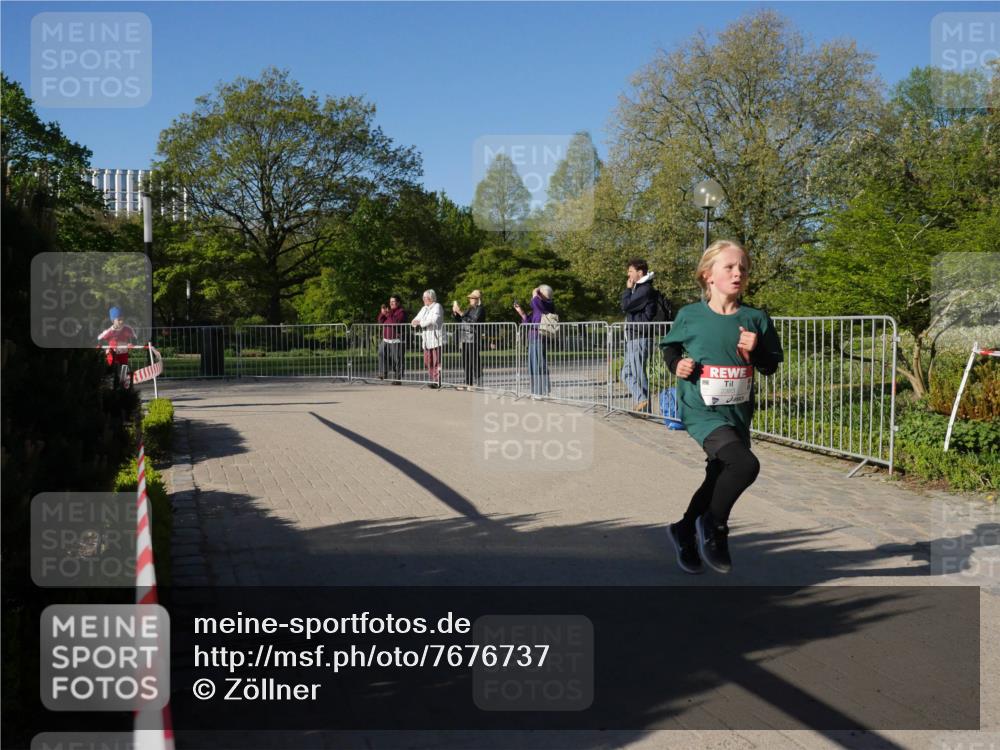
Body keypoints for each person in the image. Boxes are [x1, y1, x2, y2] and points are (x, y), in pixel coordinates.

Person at [659, 240, 783, 575]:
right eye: (729, 267)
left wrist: (757, 350)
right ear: (708, 275)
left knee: (719, 474)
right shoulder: (690, 316)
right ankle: (714, 525)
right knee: (744, 465)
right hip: (700, 409)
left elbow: (770, 365)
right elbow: (670, 348)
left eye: (743, 267)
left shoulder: (755, 318)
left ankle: (684, 528)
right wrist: (677, 365)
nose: (738, 273)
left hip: (736, 413)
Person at [620, 258, 658, 413]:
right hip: (634, 337)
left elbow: (626, 305)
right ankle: (642, 401)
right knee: (626, 373)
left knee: (637, 373)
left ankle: (644, 406)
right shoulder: (640, 288)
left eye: (630, 271)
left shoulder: (644, 289)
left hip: (640, 337)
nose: (628, 274)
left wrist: (628, 290)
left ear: (640, 272)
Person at [514, 284, 555, 397]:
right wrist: (521, 312)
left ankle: (540, 392)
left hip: (539, 337)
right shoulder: (539, 308)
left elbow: (535, 300)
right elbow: (528, 322)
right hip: (533, 338)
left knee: (538, 364)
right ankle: (537, 391)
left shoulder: (545, 304)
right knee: (533, 365)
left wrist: (536, 292)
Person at [452, 290, 486, 389]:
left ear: (478, 299)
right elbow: (461, 319)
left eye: (472, 298)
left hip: (473, 337)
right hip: (464, 337)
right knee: (466, 361)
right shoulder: (470, 308)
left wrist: (460, 312)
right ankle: (468, 382)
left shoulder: (480, 309)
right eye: (470, 298)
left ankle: (479, 384)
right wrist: (455, 313)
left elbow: (473, 321)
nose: (470, 299)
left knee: (475, 361)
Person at [97, 306, 137, 387]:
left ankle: (123, 385)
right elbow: (99, 338)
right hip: (113, 354)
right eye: (119, 320)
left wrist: (131, 344)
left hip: (123, 353)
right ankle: (110, 384)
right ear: (113, 321)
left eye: (122, 319)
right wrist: (103, 348)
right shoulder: (109, 331)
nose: (121, 322)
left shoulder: (128, 329)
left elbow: (134, 338)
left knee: (124, 369)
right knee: (113, 369)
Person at [411, 289, 444, 388]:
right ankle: (432, 379)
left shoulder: (437, 306)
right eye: (423, 297)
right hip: (426, 340)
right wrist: (416, 322)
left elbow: (433, 320)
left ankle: (437, 381)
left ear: (431, 298)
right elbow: (415, 320)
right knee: (427, 361)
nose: (424, 299)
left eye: (425, 297)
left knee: (436, 361)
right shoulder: (424, 308)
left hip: (436, 339)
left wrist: (421, 323)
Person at [377, 295, 406, 383]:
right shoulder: (389, 312)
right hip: (386, 339)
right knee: (381, 354)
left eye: (393, 301)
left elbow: (394, 322)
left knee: (397, 359)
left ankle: (398, 378)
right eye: (390, 302)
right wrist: (382, 314)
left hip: (396, 340)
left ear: (398, 303)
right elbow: (380, 321)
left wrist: (388, 314)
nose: (391, 303)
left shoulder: (401, 312)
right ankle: (383, 373)